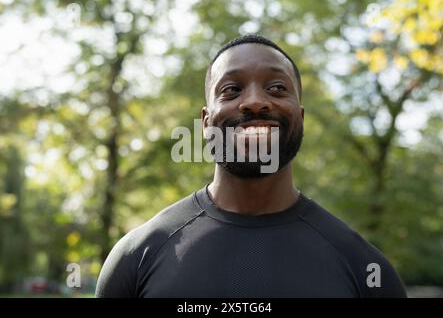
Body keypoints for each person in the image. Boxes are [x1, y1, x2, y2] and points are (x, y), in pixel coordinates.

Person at [95, 34, 407, 298]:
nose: (255, 102)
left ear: (300, 117)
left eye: (276, 88)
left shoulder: (366, 269)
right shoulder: (135, 258)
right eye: (231, 89)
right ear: (206, 122)